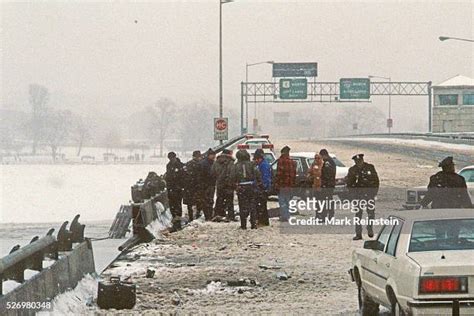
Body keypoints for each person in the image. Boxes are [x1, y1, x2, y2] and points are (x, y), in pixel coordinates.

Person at [346, 154, 380, 240]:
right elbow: (349, 184)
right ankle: (358, 233)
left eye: (360, 161)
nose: (359, 163)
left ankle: (369, 227)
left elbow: (376, 181)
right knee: (358, 215)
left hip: (369, 195)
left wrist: (374, 193)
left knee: (371, 213)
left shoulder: (370, 167)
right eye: (357, 162)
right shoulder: (352, 170)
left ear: (362, 160)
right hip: (358, 196)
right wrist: (353, 195)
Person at [231, 149, 261, 229]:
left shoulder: (236, 166)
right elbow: (257, 174)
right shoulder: (252, 164)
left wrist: (235, 186)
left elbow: (232, 177)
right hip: (251, 186)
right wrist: (258, 183)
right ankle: (253, 224)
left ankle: (243, 224)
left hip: (241, 187)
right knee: (252, 206)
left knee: (242, 206)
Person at [211, 149, 235, 220]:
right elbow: (233, 174)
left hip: (220, 184)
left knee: (219, 200)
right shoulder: (231, 162)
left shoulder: (216, 162)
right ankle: (230, 216)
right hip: (229, 185)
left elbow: (213, 173)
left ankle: (218, 214)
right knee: (229, 201)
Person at [274, 146, 296, 222]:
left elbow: (279, 174)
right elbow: (294, 175)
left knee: (282, 201)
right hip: (290, 186)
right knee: (287, 201)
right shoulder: (292, 162)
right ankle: (287, 215)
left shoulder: (281, 161)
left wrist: (276, 184)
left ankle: (284, 216)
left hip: (282, 185)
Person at [165, 152, 185, 227]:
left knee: (177, 204)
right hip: (171, 188)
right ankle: (174, 218)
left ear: (175, 157)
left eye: (172, 158)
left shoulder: (180, 165)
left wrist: (180, 186)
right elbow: (169, 176)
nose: (171, 159)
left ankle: (178, 220)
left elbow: (183, 177)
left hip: (178, 189)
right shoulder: (169, 165)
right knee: (172, 204)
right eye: (170, 158)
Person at [197, 148, 217, 221]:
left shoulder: (211, 163)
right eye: (212, 155)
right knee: (207, 200)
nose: (214, 156)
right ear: (209, 155)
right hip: (206, 184)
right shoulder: (204, 163)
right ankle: (208, 215)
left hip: (210, 184)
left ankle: (209, 215)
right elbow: (201, 175)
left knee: (209, 200)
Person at [183, 150, 202, 221]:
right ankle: (197, 214)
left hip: (190, 186)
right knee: (198, 201)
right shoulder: (200, 164)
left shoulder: (188, 164)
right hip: (196, 186)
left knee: (190, 203)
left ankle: (191, 216)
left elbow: (185, 175)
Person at [254, 149, 272, 226]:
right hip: (263, 188)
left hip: (262, 188)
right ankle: (263, 221)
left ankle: (262, 221)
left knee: (261, 206)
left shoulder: (263, 165)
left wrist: (263, 187)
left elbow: (265, 178)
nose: (255, 161)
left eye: (256, 159)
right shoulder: (264, 164)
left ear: (259, 158)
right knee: (262, 206)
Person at [319, 149, 336, 219]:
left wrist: (324, 183)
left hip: (327, 185)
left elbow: (327, 174)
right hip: (330, 184)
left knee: (325, 200)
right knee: (329, 200)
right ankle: (330, 214)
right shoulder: (331, 161)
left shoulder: (327, 162)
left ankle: (325, 215)